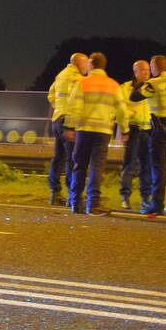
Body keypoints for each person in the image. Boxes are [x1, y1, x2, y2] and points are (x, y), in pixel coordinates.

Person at [63, 52, 128, 215]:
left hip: (84, 130)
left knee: (79, 165)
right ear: (104, 66)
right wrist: (125, 130)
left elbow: (73, 106)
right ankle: (93, 204)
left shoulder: (82, 82)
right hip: (103, 131)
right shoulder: (113, 85)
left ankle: (75, 202)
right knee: (96, 167)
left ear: (91, 65)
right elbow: (122, 110)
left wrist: (69, 127)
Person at [130, 55, 166, 215]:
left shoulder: (153, 83)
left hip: (163, 127)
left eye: (150, 67)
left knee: (159, 166)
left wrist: (141, 83)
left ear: (154, 67)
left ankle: (157, 204)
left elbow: (134, 97)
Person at [46, 52, 89, 206]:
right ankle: (73, 194)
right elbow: (77, 101)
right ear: (79, 63)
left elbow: (51, 95)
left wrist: (59, 108)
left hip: (57, 119)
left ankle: (54, 192)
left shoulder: (61, 75)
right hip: (69, 121)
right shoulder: (78, 78)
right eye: (85, 63)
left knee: (58, 157)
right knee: (73, 158)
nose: (87, 67)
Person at [118, 60, 152, 211]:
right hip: (133, 129)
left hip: (149, 130)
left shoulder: (152, 86)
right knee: (129, 165)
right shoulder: (125, 88)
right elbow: (120, 109)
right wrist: (124, 130)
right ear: (135, 71)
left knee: (147, 166)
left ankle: (146, 198)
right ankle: (125, 196)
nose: (146, 73)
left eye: (148, 70)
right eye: (143, 70)